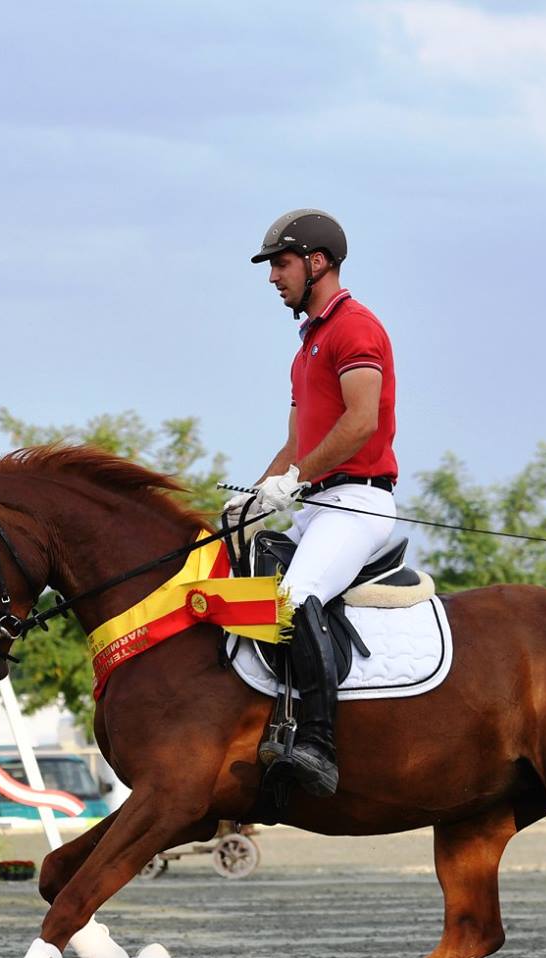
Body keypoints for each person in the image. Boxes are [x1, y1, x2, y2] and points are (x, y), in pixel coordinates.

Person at [230, 209, 399, 797]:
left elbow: (361, 423)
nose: (273, 277)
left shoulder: (355, 328)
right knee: (245, 585)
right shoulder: (307, 347)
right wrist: (256, 497)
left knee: (295, 596)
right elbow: (295, 443)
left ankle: (320, 744)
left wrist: (296, 477)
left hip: (358, 500)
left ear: (317, 262)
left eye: (280, 264)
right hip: (315, 504)